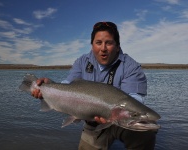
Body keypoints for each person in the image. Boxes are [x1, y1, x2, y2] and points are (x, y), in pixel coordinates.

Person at [32, 21, 157, 150]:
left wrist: (121, 114)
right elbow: (68, 86)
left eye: (108, 43)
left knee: (147, 131)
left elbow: (135, 100)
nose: (103, 48)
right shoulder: (82, 62)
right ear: (92, 46)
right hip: (92, 124)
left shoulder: (131, 66)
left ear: (117, 46)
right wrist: (48, 86)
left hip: (122, 123)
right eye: (98, 43)